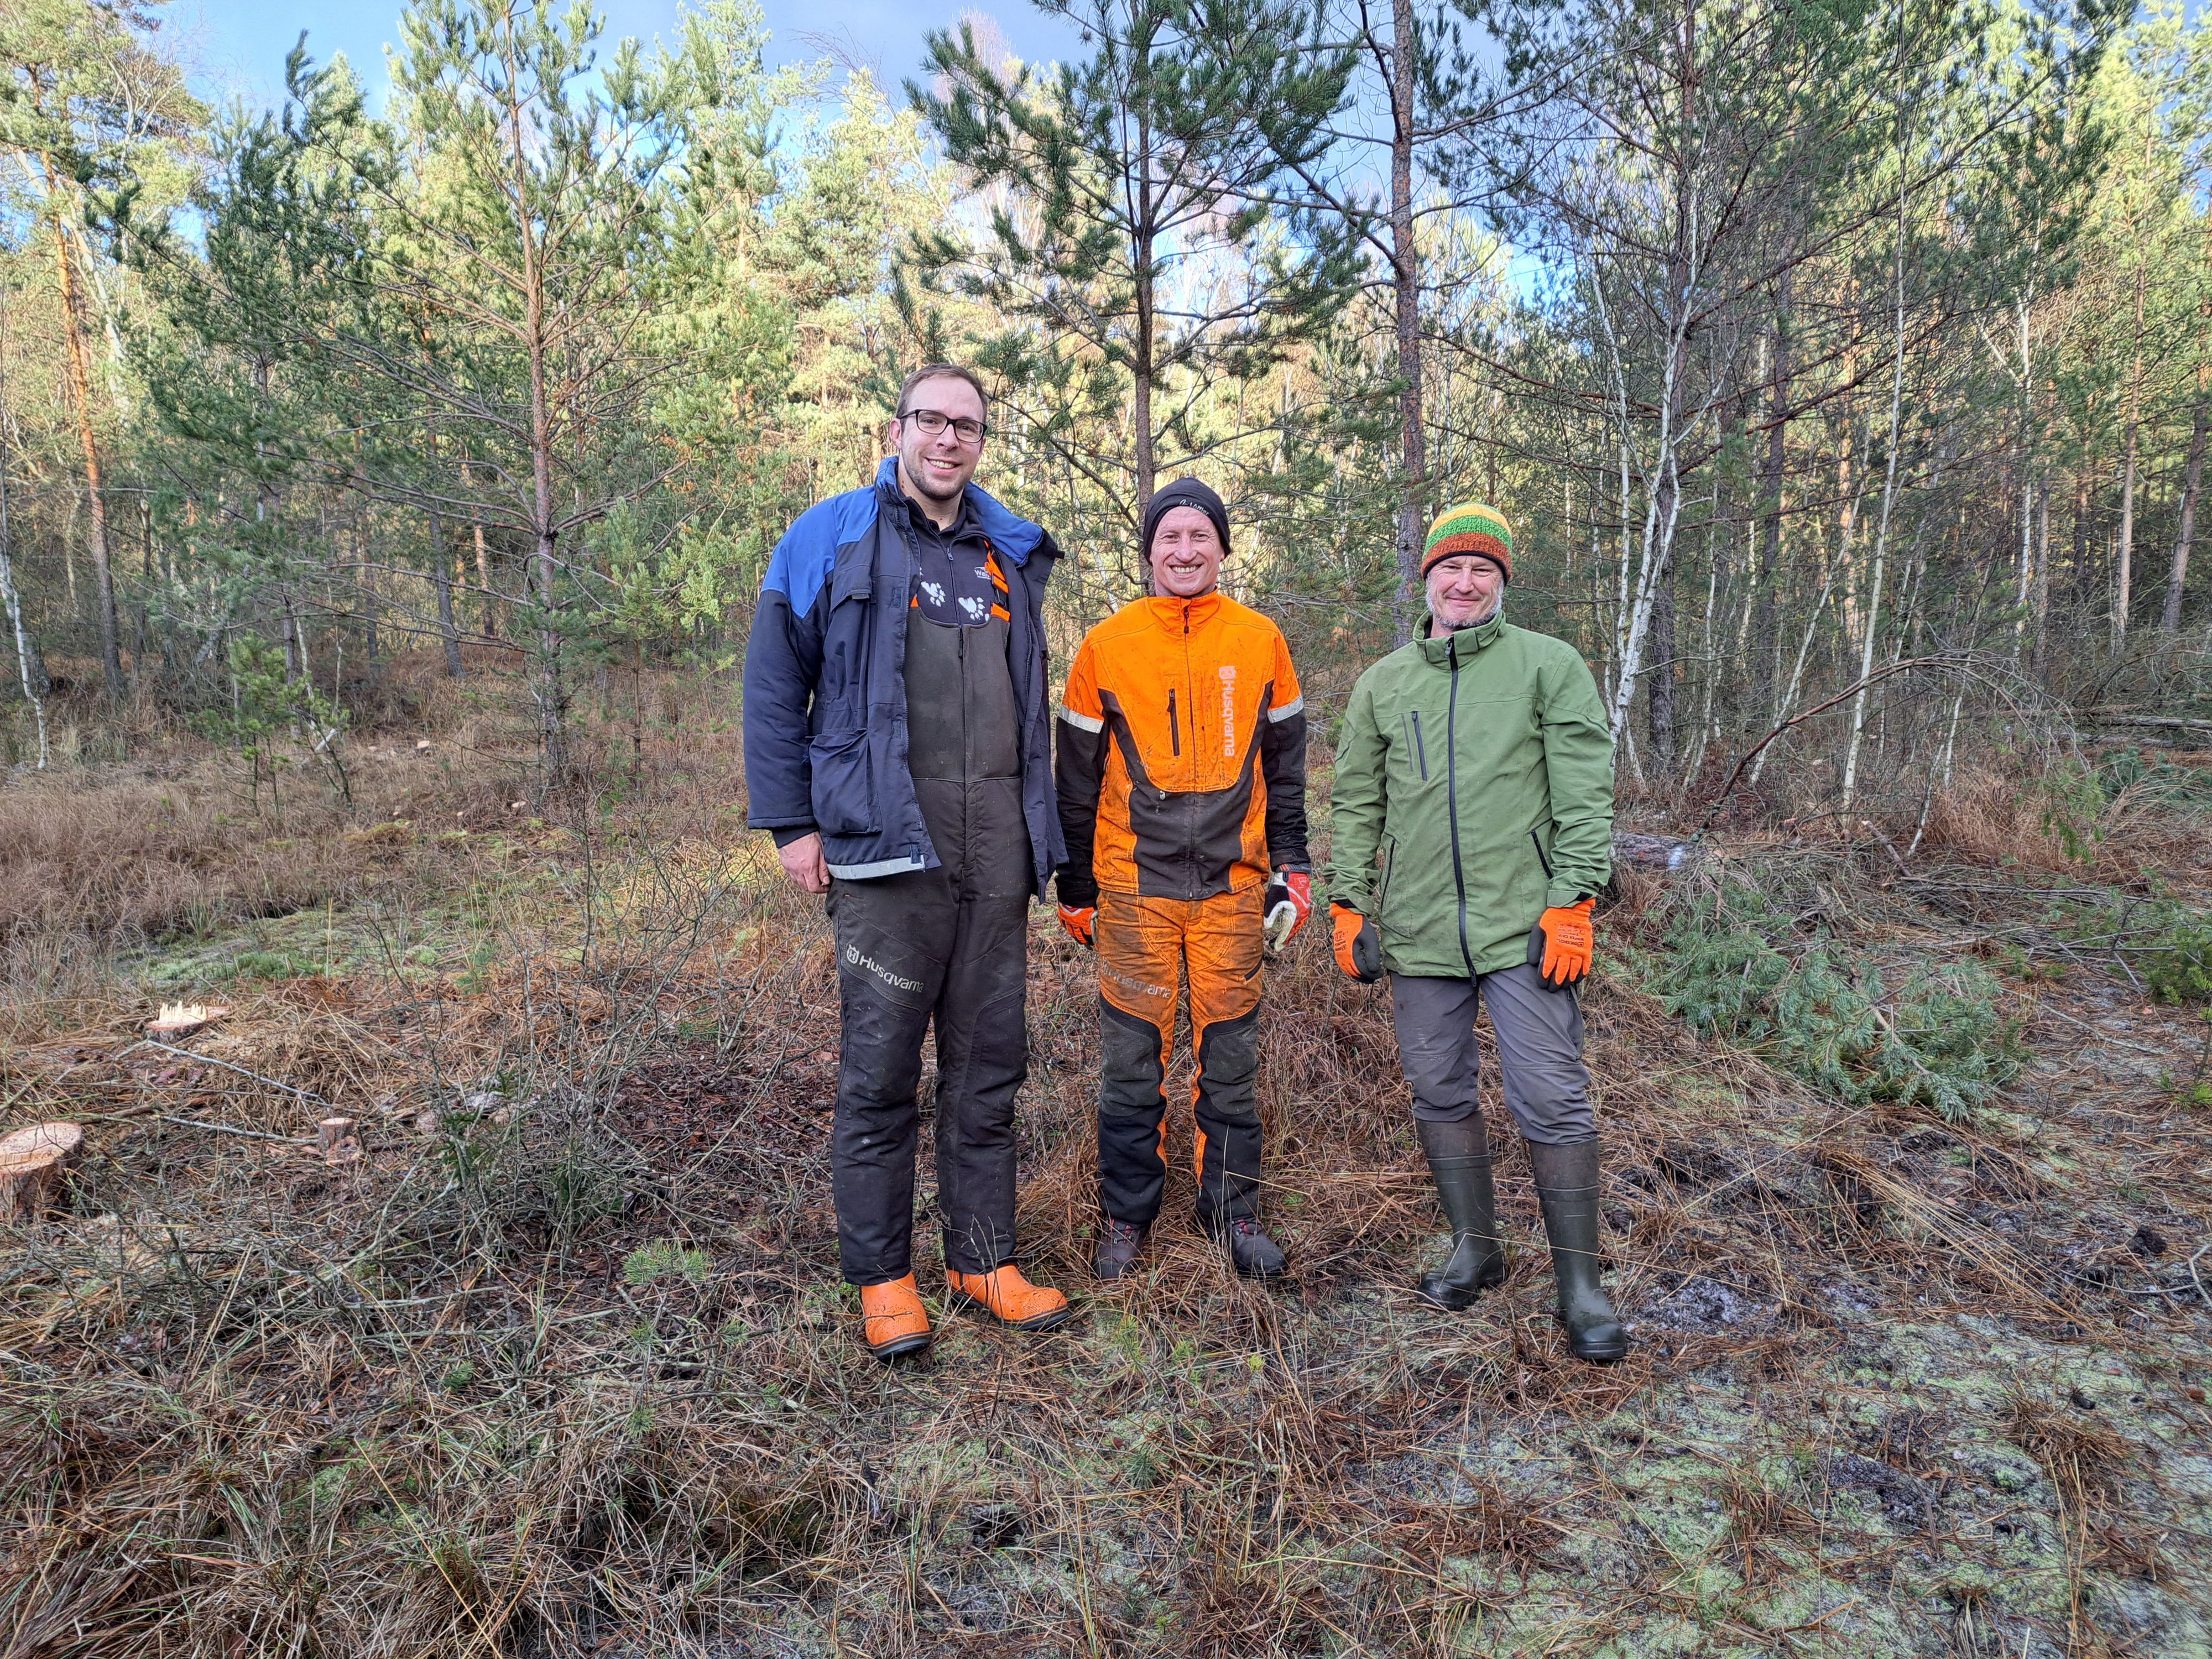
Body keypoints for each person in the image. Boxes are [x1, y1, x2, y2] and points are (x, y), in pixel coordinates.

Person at [743, 363, 1072, 1362]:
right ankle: (885, 1278)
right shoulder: (829, 536)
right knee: (880, 1075)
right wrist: (792, 826)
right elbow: (771, 689)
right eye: (931, 420)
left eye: (967, 426)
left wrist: (1039, 844)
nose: (948, 440)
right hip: (886, 857)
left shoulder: (1006, 553)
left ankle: (982, 1260)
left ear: (982, 441)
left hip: (996, 857)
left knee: (988, 1071)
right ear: (896, 428)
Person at [1326, 502, 1626, 1363]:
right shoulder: (1385, 683)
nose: (1464, 583)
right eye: (1450, 570)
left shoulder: (1549, 667)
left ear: (1500, 584)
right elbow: (1356, 803)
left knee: (1552, 1095)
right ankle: (1477, 1247)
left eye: (1482, 571)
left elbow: (1582, 794)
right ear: (1426, 580)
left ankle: (1579, 1282)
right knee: (1439, 1089)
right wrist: (1350, 905)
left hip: (1523, 927)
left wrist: (1573, 904)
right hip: (1419, 930)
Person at [1054, 478, 1313, 1281]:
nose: (1186, 550)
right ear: (1150, 551)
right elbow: (1075, 778)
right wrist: (1075, 886)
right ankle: (1127, 1216)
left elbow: (1289, 771)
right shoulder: (1107, 644)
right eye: (1171, 537)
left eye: (1201, 535)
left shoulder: (1261, 640)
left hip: (1235, 889)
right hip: (1134, 890)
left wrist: (1293, 871)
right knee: (1131, 1063)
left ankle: (1232, 1212)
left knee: (1229, 1060)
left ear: (1223, 548)